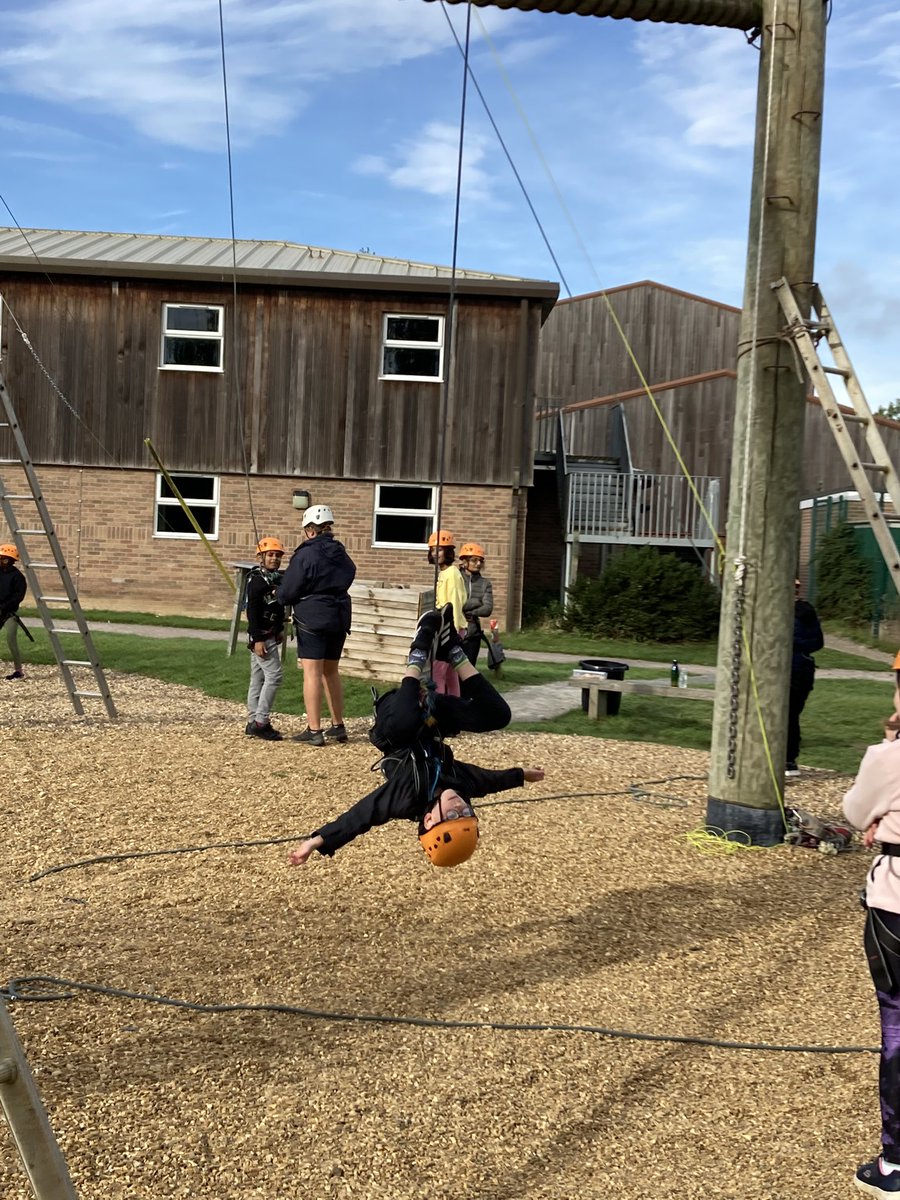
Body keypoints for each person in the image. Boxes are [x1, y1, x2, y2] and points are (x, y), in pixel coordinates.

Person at [289, 605, 544, 867]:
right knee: (497, 715)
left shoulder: (406, 797)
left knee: (404, 722)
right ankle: (453, 650)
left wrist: (316, 841)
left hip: (394, 722)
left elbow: (362, 816)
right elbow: (492, 781)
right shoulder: (462, 786)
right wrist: (522, 774)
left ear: (430, 820)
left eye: (453, 814)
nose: (460, 805)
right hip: (432, 720)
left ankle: (418, 651)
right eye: (466, 812)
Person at [843, 703, 900, 1197]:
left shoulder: (889, 758)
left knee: (899, 1023)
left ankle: (896, 1163)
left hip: (898, 907)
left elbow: (855, 811)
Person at [278, 504, 356, 747]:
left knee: (312, 672)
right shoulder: (340, 552)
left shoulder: (305, 554)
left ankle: (314, 730)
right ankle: (338, 726)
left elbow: (289, 590)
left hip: (312, 617)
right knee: (331, 671)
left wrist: (281, 595)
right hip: (339, 615)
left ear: (310, 530)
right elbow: (351, 572)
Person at [245, 536, 287, 741]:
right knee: (275, 676)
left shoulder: (276, 579)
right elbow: (252, 611)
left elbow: (277, 608)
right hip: (262, 635)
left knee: (259, 678)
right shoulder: (257, 580)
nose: (274, 559)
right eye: (270, 555)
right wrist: (257, 638)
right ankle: (261, 721)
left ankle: (253, 719)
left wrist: (279, 628)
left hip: (271, 632)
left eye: (278, 556)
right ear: (260, 557)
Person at [786, 577, 824, 776]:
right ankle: (788, 759)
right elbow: (817, 642)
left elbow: (817, 642)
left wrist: (787, 641)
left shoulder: (800, 613)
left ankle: (788, 760)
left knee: (788, 714)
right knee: (790, 715)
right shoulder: (806, 613)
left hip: (795, 669)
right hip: (801, 668)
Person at [428, 529, 467, 697]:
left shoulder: (451, 573)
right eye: (433, 550)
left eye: (440, 549)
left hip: (450, 628)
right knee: (451, 674)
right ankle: (455, 710)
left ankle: (438, 710)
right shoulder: (444, 572)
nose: (436, 553)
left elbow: (454, 604)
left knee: (438, 670)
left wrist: (452, 631)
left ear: (449, 552)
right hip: (449, 627)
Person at [459, 541, 493, 666]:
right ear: (464, 561)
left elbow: (487, 609)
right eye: (474, 560)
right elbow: (455, 603)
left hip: (473, 635)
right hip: (454, 632)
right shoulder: (456, 579)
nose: (478, 564)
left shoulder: (485, 583)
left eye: (481, 561)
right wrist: (476, 602)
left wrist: (470, 612)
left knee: (469, 671)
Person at [0, 543, 28, 681]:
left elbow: (18, 596)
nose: (1, 561)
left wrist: (4, 606)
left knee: (11, 639)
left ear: (11, 560)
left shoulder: (18, 577)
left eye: (4, 559)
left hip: (9, 613)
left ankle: (18, 671)